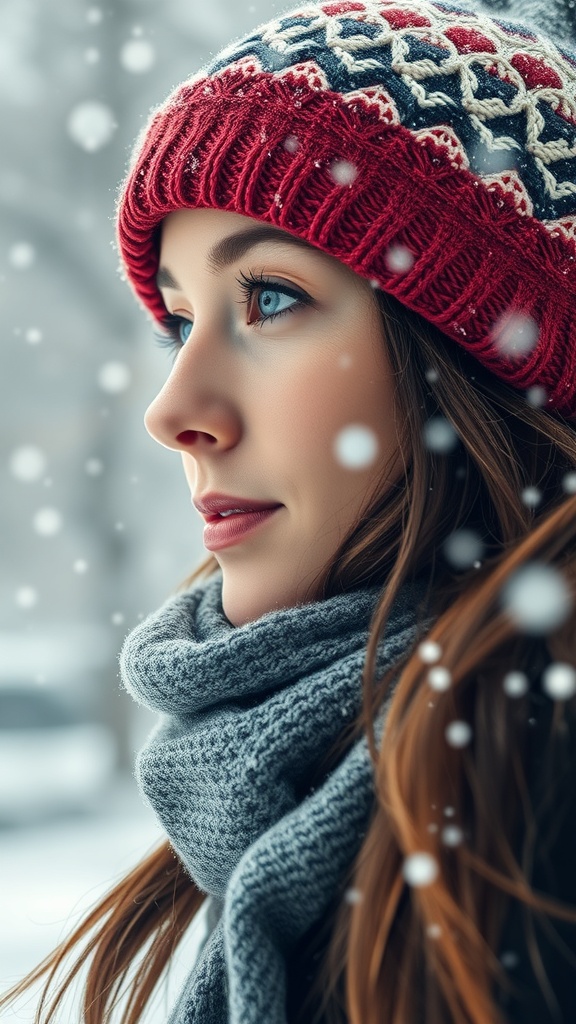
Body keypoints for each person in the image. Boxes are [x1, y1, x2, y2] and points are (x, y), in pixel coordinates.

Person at [3, 0, 576, 1021]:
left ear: (484, 359)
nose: (174, 409)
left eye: (269, 298)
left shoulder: (524, 815)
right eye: (180, 321)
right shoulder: (319, 790)